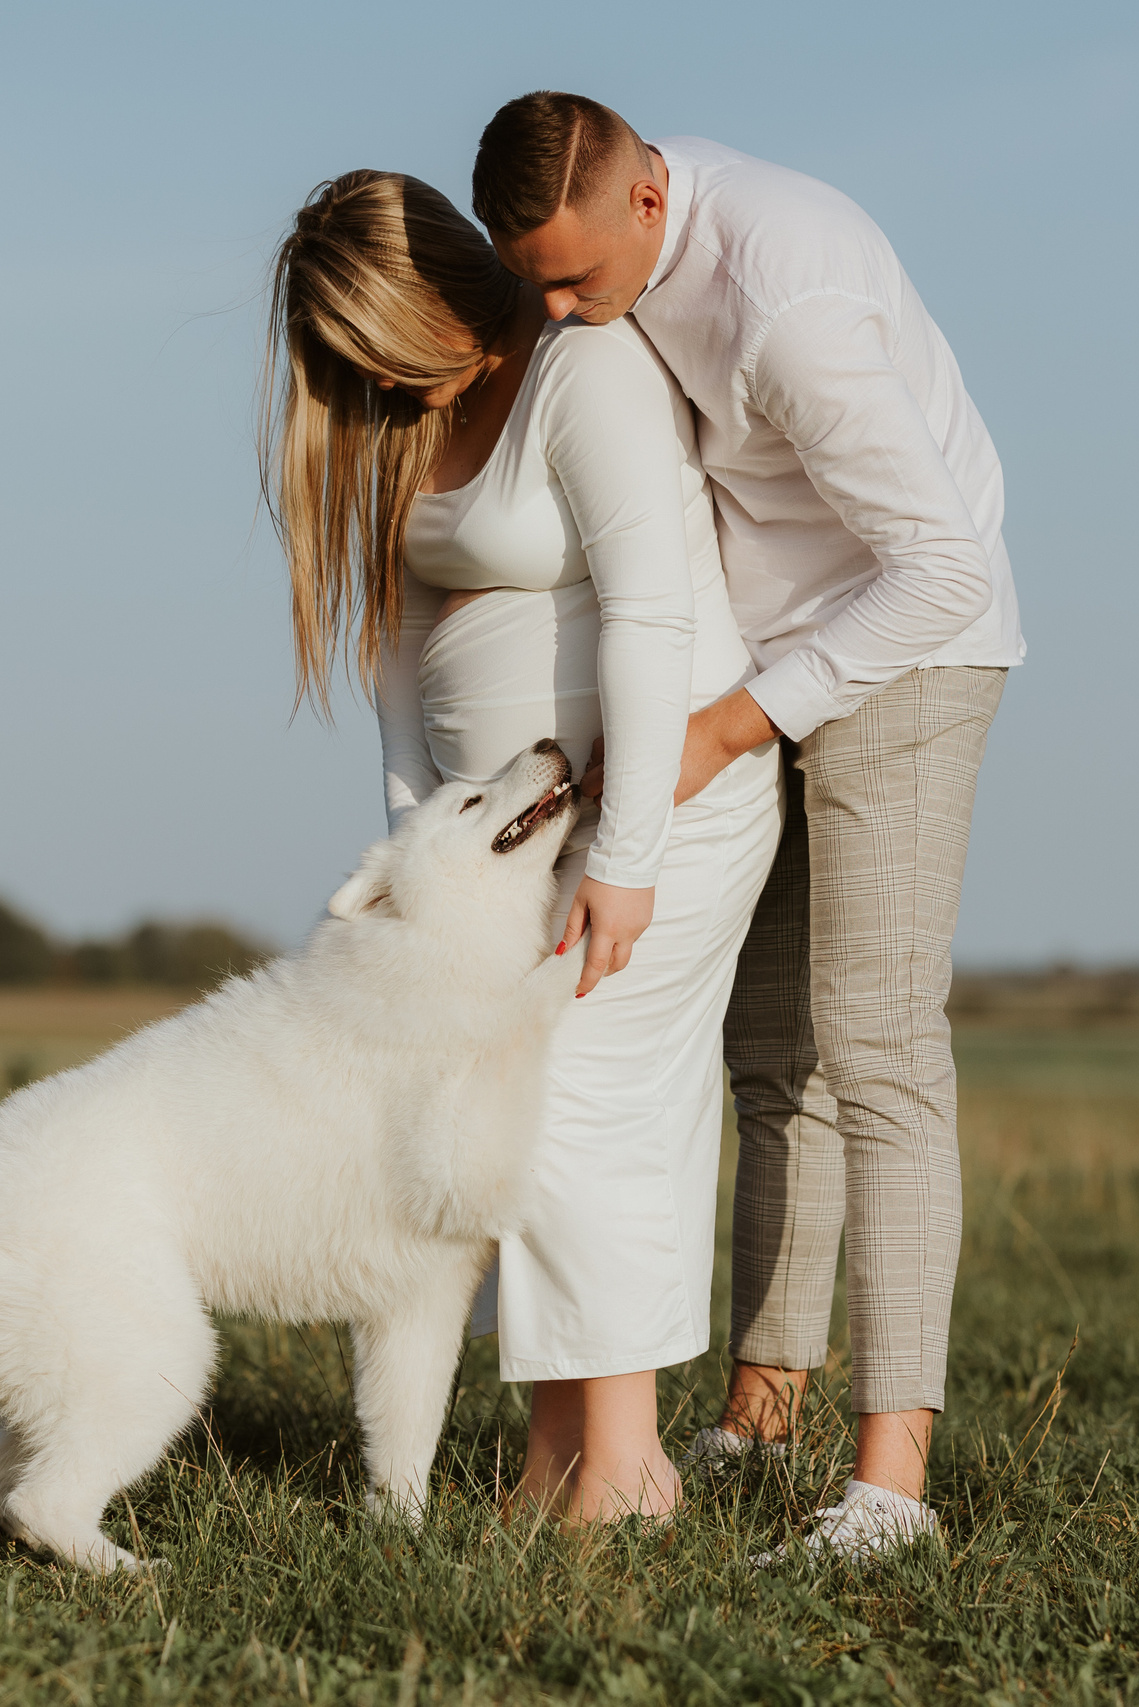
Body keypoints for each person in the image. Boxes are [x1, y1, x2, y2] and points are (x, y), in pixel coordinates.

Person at [472, 93, 1024, 1563]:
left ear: (648, 202)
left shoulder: (790, 304)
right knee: (770, 1053)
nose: (555, 311)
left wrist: (729, 726)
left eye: (573, 279)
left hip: (903, 655)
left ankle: (891, 1492)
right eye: (532, 283)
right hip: (767, 658)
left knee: (877, 1044)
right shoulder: (615, 249)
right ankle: (758, 1424)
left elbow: (945, 569)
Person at [264, 170, 781, 1523]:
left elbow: (650, 610)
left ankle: (626, 1469)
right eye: (363, 367)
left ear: (454, 285)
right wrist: (421, 867)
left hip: (656, 810)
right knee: (516, 1111)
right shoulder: (395, 418)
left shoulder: (579, 371)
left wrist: (627, 854)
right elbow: (396, 659)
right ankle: (562, 1459)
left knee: (584, 1107)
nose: (392, 384)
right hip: (510, 842)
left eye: (402, 349)